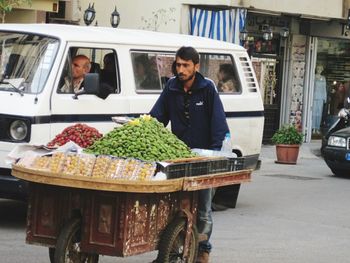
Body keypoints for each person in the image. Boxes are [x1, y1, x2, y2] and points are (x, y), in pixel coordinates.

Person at [150, 46, 229, 263]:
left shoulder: (208, 89)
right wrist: (144, 128)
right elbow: (157, 117)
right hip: (179, 159)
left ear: (196, 66)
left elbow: (219, 125)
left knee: (203, 209)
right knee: (175, 208)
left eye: (186, 65)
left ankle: (203, 250)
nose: (181, 69)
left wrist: (213, 155)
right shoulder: (171, 88)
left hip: (204, 159)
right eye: (178, 65)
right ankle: (171, 251)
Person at [312, 64, 327, 134]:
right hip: (314, 97)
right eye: (318, 69)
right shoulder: (313, 77)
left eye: (320, 69)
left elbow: (324, 88)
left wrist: (325, 97)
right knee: (313, 113)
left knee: (319, 113)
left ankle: (317, 128)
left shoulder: (323, 78)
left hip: (320, 97)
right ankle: (312, 127)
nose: (319, 70)